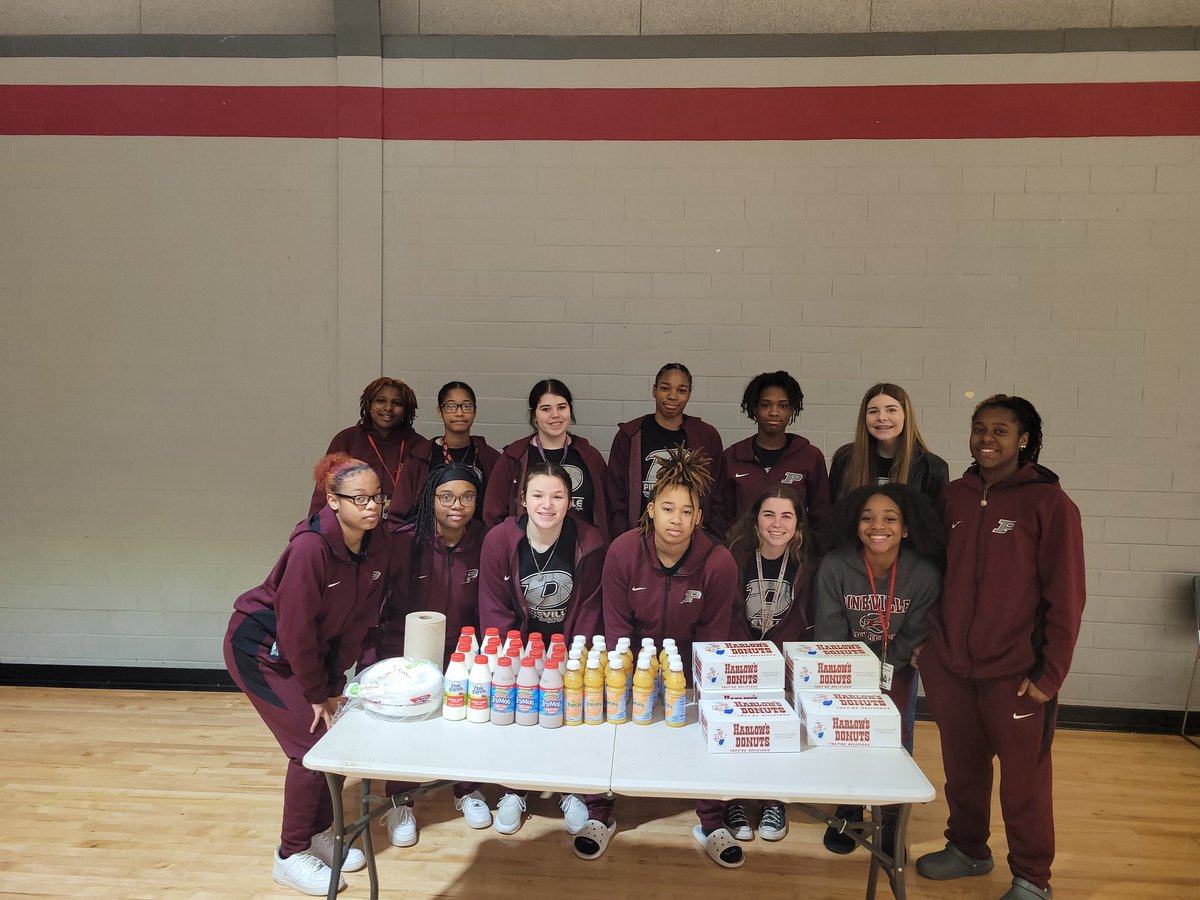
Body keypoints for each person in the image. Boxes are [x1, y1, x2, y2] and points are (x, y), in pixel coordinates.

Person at [915, 395, 1085, 900]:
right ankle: (968, 849)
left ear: (1024, 439)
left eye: (1001, 431)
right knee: (962, 771)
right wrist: (926, 639)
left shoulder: (1050, 504)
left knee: (1024, 783)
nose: (987, 439)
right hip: (951, 668)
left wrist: (1050, 674)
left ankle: (1032, 877)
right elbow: (929, 573)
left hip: (1016, 672)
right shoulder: (953, 497)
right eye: (979, 428)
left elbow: (1067, 597)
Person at [224, 454, 386, 896]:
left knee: (330, 740)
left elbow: (356, 620)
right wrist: (317, 694)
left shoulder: (376, 542)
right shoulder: (310, 548)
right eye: (359, 498)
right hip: (261, 652)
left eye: (377, 497)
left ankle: (319, 836)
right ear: (333, 500)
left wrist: (335, 683)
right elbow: (294, 630)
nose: (372, 506)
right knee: (310, 746)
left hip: (310, 654)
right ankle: (290, 855)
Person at [580, 448, 743, 867]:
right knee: (608, 712)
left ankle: (711, 820)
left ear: (698, 518)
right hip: (631, 663)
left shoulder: (718, 562)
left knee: (708, 726)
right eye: (667, 508)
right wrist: (634, 680)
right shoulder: (622, 551)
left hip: (688, 669)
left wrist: (688, 685)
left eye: (685, 511)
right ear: (650, 510)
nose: (676, 519)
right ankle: (599, 811)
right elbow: (616, 628)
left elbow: (712, 639)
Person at [814, 483, 944, 856]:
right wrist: (855, 677)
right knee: (848, 736)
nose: (877, 526)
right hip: (846, 672)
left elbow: (916, 633)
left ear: (905, 528)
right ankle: (849, 808)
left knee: (894, 742)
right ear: (855, 525)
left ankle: (889, 819)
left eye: (890, 518)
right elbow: (829, 631)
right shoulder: (836, 565)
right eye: (867, 517)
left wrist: (886, 668)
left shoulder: (924, 574)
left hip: (896, 669)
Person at [477, 463, 606, 837]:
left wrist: (569, 658)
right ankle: (514, 789)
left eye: (557, 496)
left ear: (570, 502)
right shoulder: (499, 540)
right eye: (537, 495)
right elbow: (493, 606)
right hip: (518, 647)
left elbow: (591, 608)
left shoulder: (591, 541)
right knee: (516, 715)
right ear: (523, 499)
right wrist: (514, 658)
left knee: (566, 718)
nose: (546, 505)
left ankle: (570, 787)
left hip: (568, 645)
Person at [373, 464, 493, 845]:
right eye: (446, 496)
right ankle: (399, 799)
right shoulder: (405, 539)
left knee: (466, 717)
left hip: (463, 648)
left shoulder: (486, 541)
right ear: (431, 499)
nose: (457, 505)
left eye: (467, 496)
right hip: (408, 649)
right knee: (409, 724)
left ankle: (466, 788)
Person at [722, 486, 816, 844]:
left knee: (777, 731)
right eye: (769, 515)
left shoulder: (808, 563)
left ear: (798, 523)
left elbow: (805, 618)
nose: (777, 524)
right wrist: (747, 654)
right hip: (740, 658)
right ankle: (733, 799)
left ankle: (774, 800)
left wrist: (777, 660)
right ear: (755, 520)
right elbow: (728, 612)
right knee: (739, 730)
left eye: (786, 516)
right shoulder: (735, 556)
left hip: (782, 661)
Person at [605, 362, 724, 537]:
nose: (672, 396)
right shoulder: (630, 435)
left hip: (689, 540)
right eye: (665, 388)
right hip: (639, 539)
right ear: (654, 390)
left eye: (681, 390)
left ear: (689, 394)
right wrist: (625, 539)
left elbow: (717, 494)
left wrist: (708, 538)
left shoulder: (706, 436)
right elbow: (615, 496)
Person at [482, 379, 610, 541]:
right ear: (534, 415)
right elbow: (493, 515)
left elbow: (608, 510)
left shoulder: (590, 456)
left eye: (562, 407)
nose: (555, 415)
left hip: (581, 556)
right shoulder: (514, 457)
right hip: (527, 558)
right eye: (545, 409)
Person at [711, 370, 830, 539]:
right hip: (741, 558)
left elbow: (822, 515)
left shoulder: (810, 457)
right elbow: (720, 516)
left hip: (794, 559)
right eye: (766, 405)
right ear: (754, 409)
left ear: (792, 411)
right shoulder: (732, 457)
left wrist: (811, 559)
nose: (774, 412)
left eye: (783, 406)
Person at [307, 377, 424, 518]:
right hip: (353, 529)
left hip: (403, 530)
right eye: (380, 401)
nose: (388, 408)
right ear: (369, 405)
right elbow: (324, 492)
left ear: (406, 410)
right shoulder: (346, 440)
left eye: (397, 403)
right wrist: (314, 528)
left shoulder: (419, 446)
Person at [389, 381, 499, 521]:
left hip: (477, 539)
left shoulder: (489, 458)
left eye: (466, 406)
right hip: (428, 538)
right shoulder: (420, 456)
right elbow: (399, 511)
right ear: (439, 411)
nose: (459, 413)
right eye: (451, 407)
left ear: (475, 411)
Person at [828, 382, 949, 508]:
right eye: (873, 411)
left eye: (891, 410)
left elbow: (936, 524)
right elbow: (832, 515)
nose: (881, 417)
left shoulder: (933, 468)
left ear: (906, 415)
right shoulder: (844, 459)